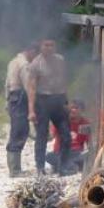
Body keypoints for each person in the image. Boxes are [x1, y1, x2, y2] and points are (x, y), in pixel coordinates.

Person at [28, 37, 71, 175]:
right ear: (41, 46)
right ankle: (40, 167)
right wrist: (31, 110)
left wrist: (67, 102)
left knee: (66, 135)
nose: (49, 48)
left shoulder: (60, 60)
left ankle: (63, 166)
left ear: (55, 46)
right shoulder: (36, 64)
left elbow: (64, 81)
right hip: (43, 100)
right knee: (42, 135)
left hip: (59, 99)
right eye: (46, 45)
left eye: (51, 45)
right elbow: (32, 88)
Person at [3, 46, 37, 178]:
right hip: (20, 99)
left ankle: (14, 168)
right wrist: (32, 108)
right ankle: (15, 170)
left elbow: (7, 84)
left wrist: (7, 101)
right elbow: (29, 88)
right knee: (19, 132)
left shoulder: (13, 61)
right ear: (30, 51)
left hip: (13, 99)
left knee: (17, 131)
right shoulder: (24, 65)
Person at [48, 100, 90, 176]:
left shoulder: (85, 123)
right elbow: (51, 135)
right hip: (61, 152)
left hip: (76, 153)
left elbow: (89, 142)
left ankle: (64, 165)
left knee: (87, 156)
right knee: (48, 156)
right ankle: (70, 165)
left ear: (82, 110)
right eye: (71, 108)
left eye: (76, 108)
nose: (73, 110)